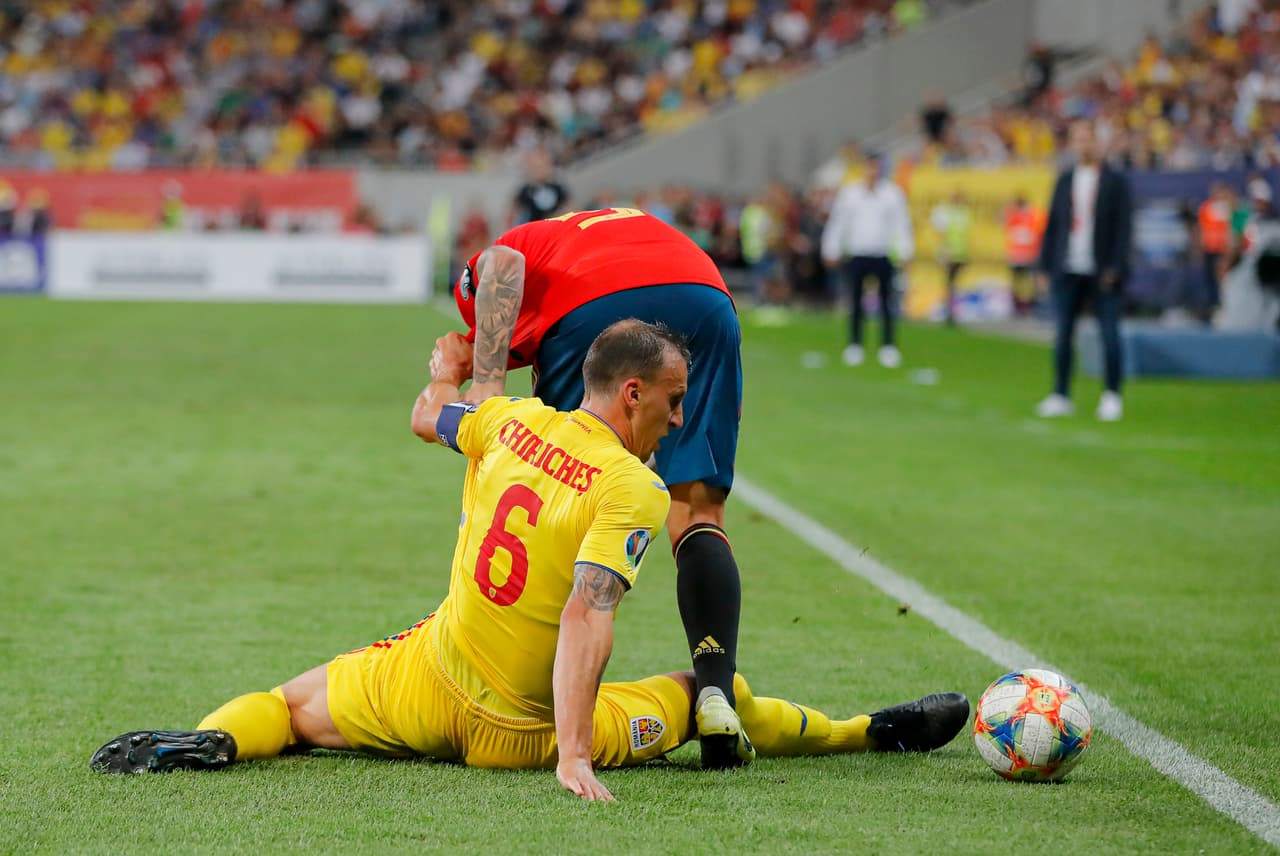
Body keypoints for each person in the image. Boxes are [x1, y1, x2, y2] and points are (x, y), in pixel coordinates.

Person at [89, 320, 970, 800]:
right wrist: (573, 755)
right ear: (631, 393)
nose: (677, 418)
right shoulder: (631, 486)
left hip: (427, 681)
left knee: (286, 708)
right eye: (672, 401)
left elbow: (426, 414)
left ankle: (210, 738)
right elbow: (589, 613)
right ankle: (867, 732)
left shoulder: (507, 423)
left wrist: (447, 366)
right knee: (715, 694)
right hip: (524, 732)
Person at [452, 207, 752, 769]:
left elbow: (501, 262)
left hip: (591, 306)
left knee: (561, 482)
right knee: (698, 511)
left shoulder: (517, 254)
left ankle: (544, 695)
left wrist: (484, 381)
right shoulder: (580, 230)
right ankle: (716, 691)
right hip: (703, 293)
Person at [1035, 120, 1133, 422]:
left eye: (1087, 138)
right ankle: (1061, 394)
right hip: (1068, 268)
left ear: (1097, 142)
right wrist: (1045, 266)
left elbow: (1123, 229)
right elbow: (1053, 224)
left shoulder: (1115, 181)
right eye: (1077, 139)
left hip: (1102, 270)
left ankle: (1112, 395)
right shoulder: (1065, 180)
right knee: (1063, 334)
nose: (1083, 144)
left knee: (1109, 333)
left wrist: (1116, 266)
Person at [821, 150, 914, 368]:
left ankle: (888, 345)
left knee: (887, 301)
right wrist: (831, 249)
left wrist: (905, 252)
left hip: (882, 253)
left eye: (876, 167)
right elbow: (838, 223)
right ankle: (855, 344)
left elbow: (901, 225)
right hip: (858, 253)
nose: (872, 171)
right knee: (855, 301)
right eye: (869, 166)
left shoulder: (892, 194)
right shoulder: (851, 194)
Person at [929, 190, 973, 326]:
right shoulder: (946, 213)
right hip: (950, 254)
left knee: (954, 283)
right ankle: (949, 310)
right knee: (949, 283)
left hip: (960, 254)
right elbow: (942, 235)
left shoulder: (964, 213)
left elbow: (966, 236)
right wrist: (944, 253)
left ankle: (952, 310)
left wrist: (967, 254)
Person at [1004, 192, 1046, 317]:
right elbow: (1003, 220)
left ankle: (1030, 306)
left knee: (1030, 281)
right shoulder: (1014, 214)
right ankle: (1017, 305)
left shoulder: (1033, 215)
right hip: (1016, 255)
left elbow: (1039, 231)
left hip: (1029, 255)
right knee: (1017, 281)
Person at [509, 148, 570, 227]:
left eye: (543, 166)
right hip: (533, 229)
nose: (540, 170)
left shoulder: (558, 189)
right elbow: (513, 213)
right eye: (536, 167)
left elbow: (568, 209)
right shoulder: (525, 191)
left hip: (555, 228)